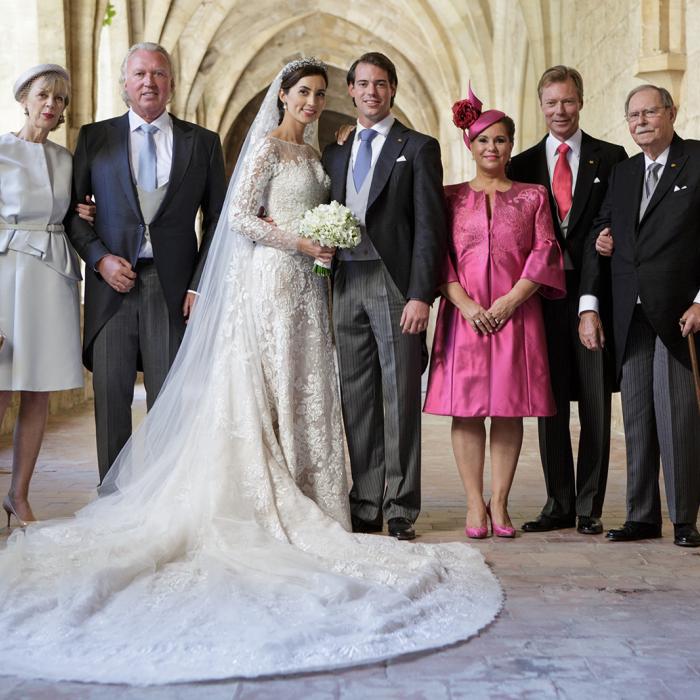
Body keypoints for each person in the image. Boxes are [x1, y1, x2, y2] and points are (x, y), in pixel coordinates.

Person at [0, 59, 502, 685]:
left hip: (309, 292)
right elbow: (237, 217)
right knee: (260, 392)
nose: (312, 103)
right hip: (270, 282)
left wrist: (319, 244)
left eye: (320, 95)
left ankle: (319, 493)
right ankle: (257, 495)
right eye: (303, 93)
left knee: (306, 391)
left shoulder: (326, 154)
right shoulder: (265, 146)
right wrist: (300, 243)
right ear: (283, 97)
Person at [67, 42, 226, 483]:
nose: (148, 82)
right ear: (124, 84)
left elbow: (217, 223)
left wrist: (199, 285)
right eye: (139, 74)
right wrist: (99, 261)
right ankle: (111, 499)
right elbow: (72, 215)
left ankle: (164, 500)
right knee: (111, 398)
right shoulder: (94, 138)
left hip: (173, 289)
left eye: (158, 74)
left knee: (170, 401)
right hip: (110, 288)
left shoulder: (204, 144)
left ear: (171, 84)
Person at [424, 86, 565, 539]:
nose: (492, 148)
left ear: (510, 145)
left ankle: (500, 503)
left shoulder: (533, 196)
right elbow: (436, 255)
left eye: (501, 140)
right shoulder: (448, 198)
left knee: (508, 410)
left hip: (515, 315)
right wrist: (464, 303)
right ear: (471, 144)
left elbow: (545, 252)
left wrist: (507, 302)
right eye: (484, 140)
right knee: (465, 411)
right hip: (463, 316)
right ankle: (473, 504)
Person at [322, 52, 447, 541]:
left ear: (393, 89)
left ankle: (400, 505)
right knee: (356, 395)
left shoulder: (418, 147)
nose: (371, 92)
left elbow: (429, 230)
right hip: (345, 282)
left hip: (394, 282)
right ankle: (366, 499)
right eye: (362, 84)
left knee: (399, 397)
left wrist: (421, 294)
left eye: (380, 83)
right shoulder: (336, 151)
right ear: (350, 90)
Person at [579, 84, 700, 547]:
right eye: (633, 115)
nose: (641, 121)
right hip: (628, 313)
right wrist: (603, 247)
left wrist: (699, 302)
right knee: (637, 417)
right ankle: (642, 515)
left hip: (676, 313)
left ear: (672, 113)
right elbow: (600, 231)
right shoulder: (625, 173)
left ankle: (685, 519)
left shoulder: (695, 161)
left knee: (677, 417)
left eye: (650, 112)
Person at [509, 66, 627, 535]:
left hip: (591, 293)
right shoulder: (521, 165)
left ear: (581, 101)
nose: (561, 111)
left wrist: (594, 292)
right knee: (550, 402)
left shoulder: (612, 158)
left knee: (595, 401)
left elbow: (613, 221)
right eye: (552, 102)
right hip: (540, 298)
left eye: (569, 101)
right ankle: (558, 502)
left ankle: (588, 507)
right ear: (541, 105)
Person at [0, 65, 83, 526]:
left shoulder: (66, 159)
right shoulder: (0, 150)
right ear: (25, 99)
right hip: (6, 273)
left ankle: (19, 495)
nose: (51, 104)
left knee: (38, 392)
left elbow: (73, 214)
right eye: (43, 95)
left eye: (60, 99)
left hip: (51, 276)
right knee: (0, 389)